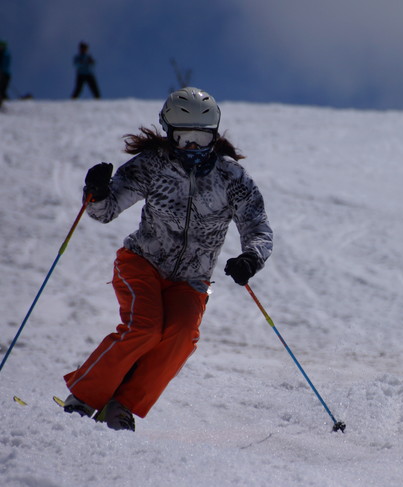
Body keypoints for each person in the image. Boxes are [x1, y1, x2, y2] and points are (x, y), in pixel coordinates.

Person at [62, 87, 273, 431]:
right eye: (183, 136)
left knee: (182, 335)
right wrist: (97, 193)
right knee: (145, 328)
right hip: (142, 262)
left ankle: (122, 405)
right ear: (168, 133)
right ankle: (83, 398)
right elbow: (106, 210)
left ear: (213, 136)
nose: (192, 146)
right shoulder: (153, 166)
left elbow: (258, 226)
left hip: (191, 280)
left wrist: (251, 257)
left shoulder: (231, 178)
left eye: (200, 137)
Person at [0, 40, 10, 107]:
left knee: (2, 88)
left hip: (4, 74)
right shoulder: (4, 53)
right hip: (5, 74)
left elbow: (4, 64)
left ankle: (4, 101)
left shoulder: (5, 54)